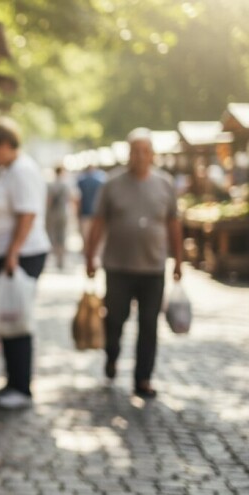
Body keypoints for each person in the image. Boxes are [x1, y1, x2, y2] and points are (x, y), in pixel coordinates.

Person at [85, 127, 182, 399]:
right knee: (114, 319)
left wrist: (178, 260)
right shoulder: (112, 184)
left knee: (149, 324)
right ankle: (112, 356)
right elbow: (98, 222)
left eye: (145, 151)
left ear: (152, 154)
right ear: (129, 154)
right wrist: (89, 255)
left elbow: (174, 222)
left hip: (153, 268)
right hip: (118, 267)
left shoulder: (164, 184)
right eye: (135, 151)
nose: (140, 156)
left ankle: (143, 378)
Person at [0, 117, 50, 409]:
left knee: (16, 318)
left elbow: (28, 214)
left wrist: (12, 253)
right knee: (7, 317)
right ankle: (12, 381)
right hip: (9, 255)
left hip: (21, 255)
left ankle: (22, 387)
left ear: (5, 144)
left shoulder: (22, 170)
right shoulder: (7, 170)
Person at [76, 164, 106, 258]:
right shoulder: (100, 181)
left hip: (85, 211)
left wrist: (78, 212)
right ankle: (94, 252)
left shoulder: (81, 181)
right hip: (96, 212)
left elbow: (78, 199)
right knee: (96, 233)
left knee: (86, 235)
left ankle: (87, 252)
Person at [46, 165, 71, 269]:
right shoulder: (66, 184)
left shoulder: (50, 184)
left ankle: (54, 257)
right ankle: (60, 260)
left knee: (52, 236)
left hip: (52, 214)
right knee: (61, 237)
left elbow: (48, 201)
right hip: (62, 213)